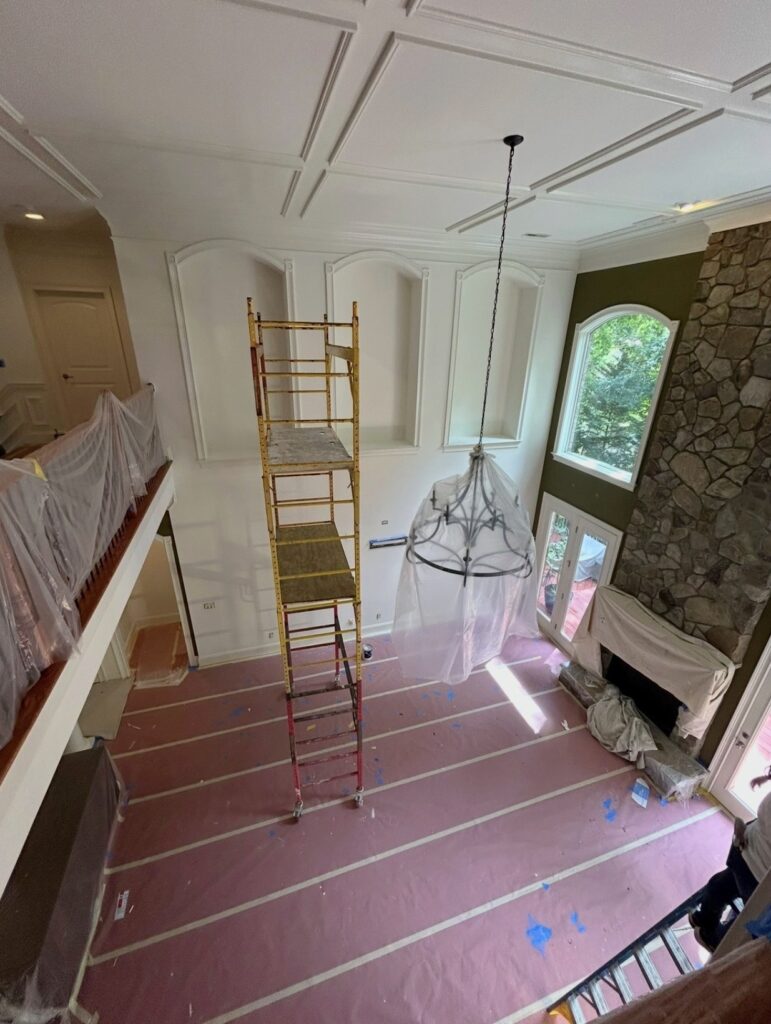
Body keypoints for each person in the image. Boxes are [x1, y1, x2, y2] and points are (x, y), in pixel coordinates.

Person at [690, 765, 771, 951]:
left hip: (759, 876)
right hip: (746, 851)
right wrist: (766, 778)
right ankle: (706, 921)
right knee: (717, 887)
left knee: (742, 923)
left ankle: (717, 942)